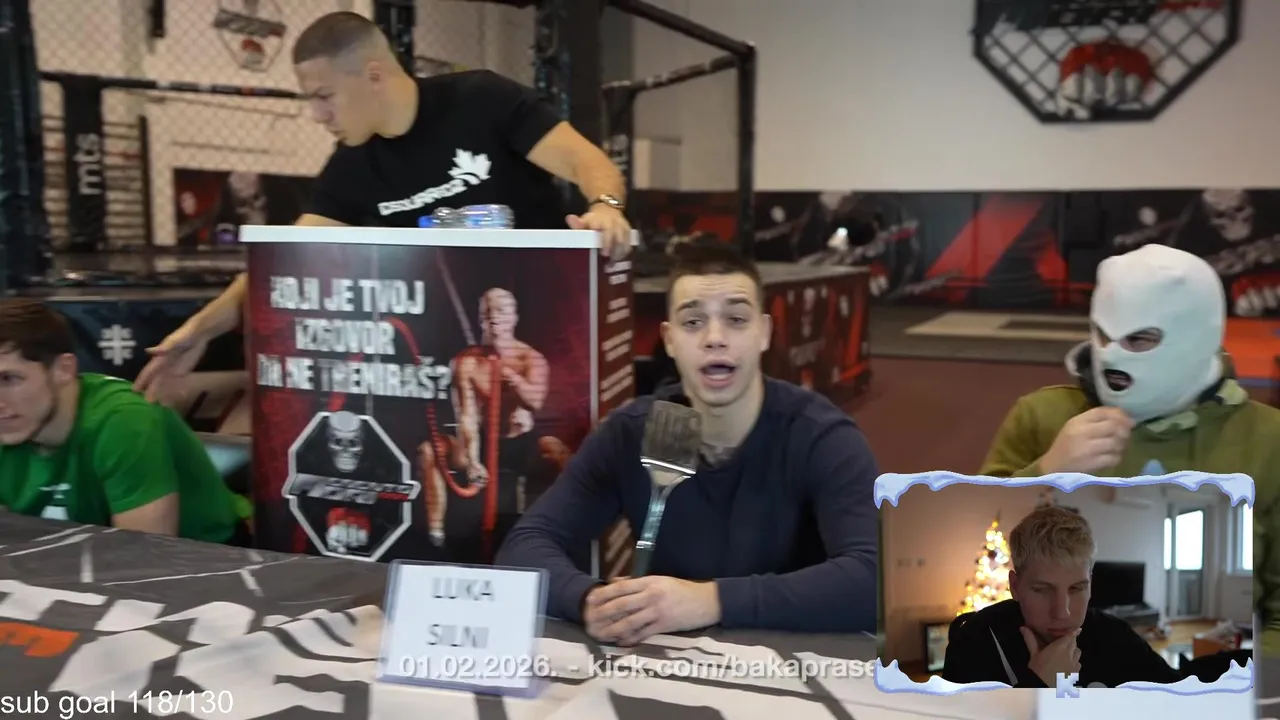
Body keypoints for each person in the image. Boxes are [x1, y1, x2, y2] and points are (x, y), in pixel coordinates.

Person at [133, 11, 632, 403]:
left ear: (373, 74)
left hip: (549, 317)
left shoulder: (482, 99)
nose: (316, 115)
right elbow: (284, 258)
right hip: (457, 338)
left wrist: (606, 207)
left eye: (324, 96)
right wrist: (197, 330)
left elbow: (587, 161)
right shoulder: (353, 163)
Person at [495, 239, 880, 644]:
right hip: (669, 665)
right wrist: (586, 599)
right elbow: (524, 547)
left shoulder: (821, 436)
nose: (714, 338)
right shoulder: (631, 432)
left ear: (764, 333)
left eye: (736, 319)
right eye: (693, 322)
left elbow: (874, 578)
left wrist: (710, 601)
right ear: (669, 340)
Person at [980, 243, 1280, 480]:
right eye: (1103, 335)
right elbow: (974, 533)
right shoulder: (1041, 418)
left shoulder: (1268, 442)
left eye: (1138, 339)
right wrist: (1047, 474)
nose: (1110, 354)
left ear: (1198, 339)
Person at [0, 299, 247, 544]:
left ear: (63, 370)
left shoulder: (124, 421)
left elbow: (144, 556)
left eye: (9, 379)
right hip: (73, 557)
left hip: (209, 558)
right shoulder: (13, 423)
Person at [941, 506, 1179, 687]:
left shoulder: (1115, 636)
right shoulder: (975, 642)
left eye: (1076, 589)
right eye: (1042, 590)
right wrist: (1038, 684)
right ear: (1015, 586)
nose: (1062, 612)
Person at [418, 288, 570, 551]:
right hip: (480, 441)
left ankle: (567, 531)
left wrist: (512, 378)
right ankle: (436, 537)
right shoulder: (466, 362)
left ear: (514, 317)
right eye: (487, 312)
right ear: (480, 320)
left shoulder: (531, 359)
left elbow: (535, 402)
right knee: (430, 450)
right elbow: (466, 416)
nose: (494, 318)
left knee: (558, 452)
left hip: (520, 442)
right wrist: (473, 460)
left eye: (501, 311)